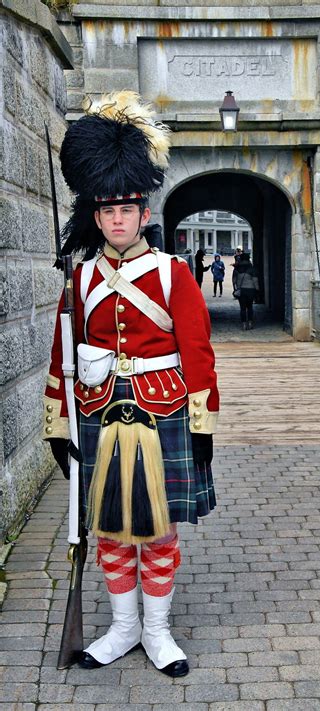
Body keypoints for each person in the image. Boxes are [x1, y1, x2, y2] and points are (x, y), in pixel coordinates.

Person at [42, 92, 219, 677]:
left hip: (162, 412)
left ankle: (158, 631)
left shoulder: (173, 275)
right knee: (111, 532)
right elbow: (61, 357)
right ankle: (121, 628)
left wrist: (202, 425)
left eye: (128, 210)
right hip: (97, 412)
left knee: (159, 530)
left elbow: (197, 350)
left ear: (145, 214)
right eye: (108, 211)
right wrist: (58, 425)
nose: (118, 220)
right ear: (96, 216)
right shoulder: (82, 276)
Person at [232, 252, 259, 330]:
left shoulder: (237, 268)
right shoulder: (252, 269)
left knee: (242, 308)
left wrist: (236, 288)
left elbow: (234, 280)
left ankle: (243, 324)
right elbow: (255, 281)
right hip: (250, 290)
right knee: (250, 307)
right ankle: (250, 323)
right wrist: (257, 289)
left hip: (241, 290)